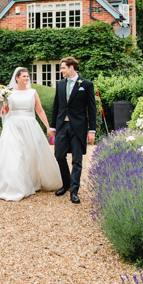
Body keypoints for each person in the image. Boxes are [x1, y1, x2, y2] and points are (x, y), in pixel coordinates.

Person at [0, 67, 62, 201]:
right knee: (15, 154)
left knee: (31, 154)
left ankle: (32, 181)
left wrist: (48, 127)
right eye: (24, 76)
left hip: (29, 125)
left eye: (28, 76)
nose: (27, 78)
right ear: (17, 78)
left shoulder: (33, 92)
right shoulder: (9, 93)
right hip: (13, 126)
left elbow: (39, 111)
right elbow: (5, 113)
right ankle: (15, 186)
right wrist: (2, 103)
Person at [48, 57, 97, 204]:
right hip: (62, 125)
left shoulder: (86, 84)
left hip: (78, 127)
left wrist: (92, 130)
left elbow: (92, 109)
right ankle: (67, 183)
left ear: (71, 67)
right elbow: (56, 106)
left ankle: (74, 191)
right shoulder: (60, 84)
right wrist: (52, 127)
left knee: (77, 159)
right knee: (59, 155)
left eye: (63, 68)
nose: (61, 70)